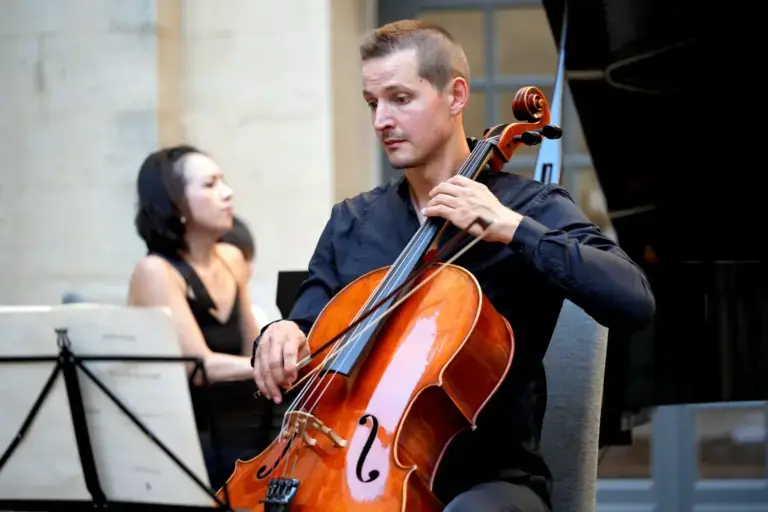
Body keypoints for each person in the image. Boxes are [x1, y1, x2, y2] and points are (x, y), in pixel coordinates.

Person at [251, 20, 655, 512]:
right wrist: (281, 331)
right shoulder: (352, 221)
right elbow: (310, 328)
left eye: (400, 98)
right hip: (348, 468)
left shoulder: (530, 207)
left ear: (456, 96)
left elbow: (634, 299)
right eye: (372, 102)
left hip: (487, 483)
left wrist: (512, 228)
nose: (381, 119)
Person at [127, 145, 269, 490]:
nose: (227, 192)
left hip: (243, 426)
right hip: (188, 440)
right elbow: (197, 366)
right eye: (210, 185)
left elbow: (254, 346)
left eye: (223, 181)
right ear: (176, 205)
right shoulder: (155, 271)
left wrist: (282, 348)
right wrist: (271, 365)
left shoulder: (232, 257)